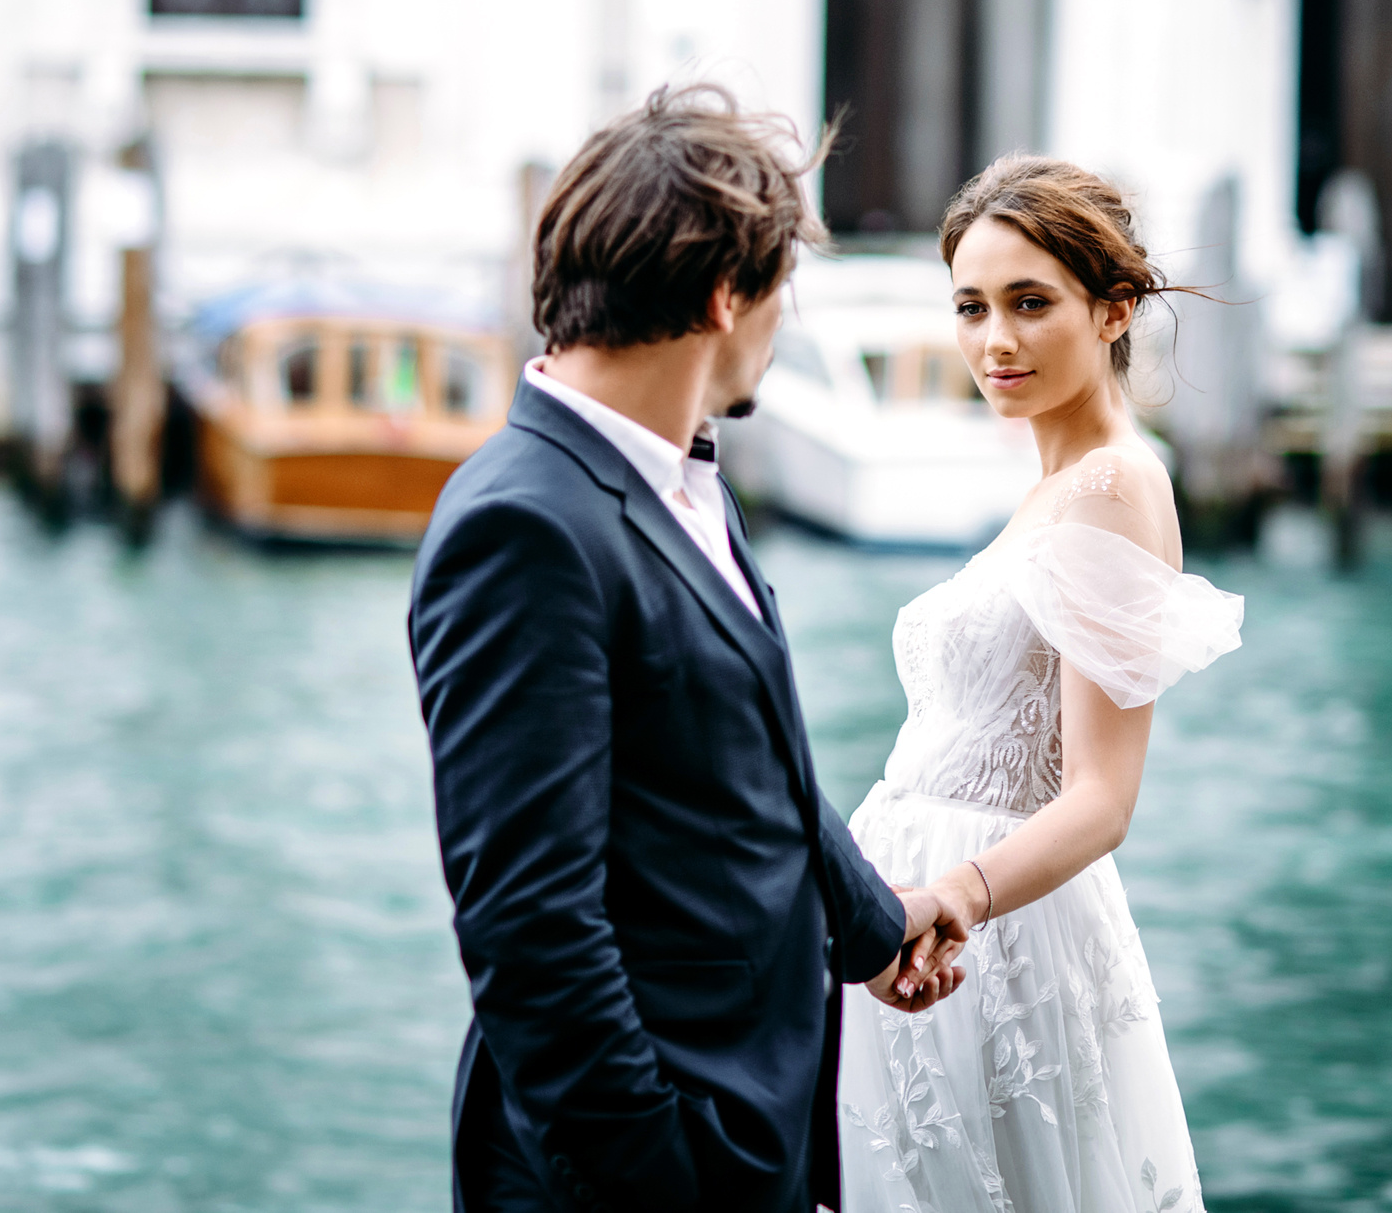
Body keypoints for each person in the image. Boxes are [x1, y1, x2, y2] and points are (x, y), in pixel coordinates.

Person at [410, 86, 976, 1213]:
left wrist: (875, 925)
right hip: (645, 1166)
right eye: (782, 291)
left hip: (756, 1116)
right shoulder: (521, 526)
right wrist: (662, 1178)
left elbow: (744, 758)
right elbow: (531, 929)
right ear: (726, 295)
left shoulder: (677, 474)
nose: (785, 323)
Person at [835, 155, 1246, 1213]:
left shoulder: (1111, 482)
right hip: (919, 926)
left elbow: (1103, 799)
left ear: (1112, 311)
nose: (994, 341)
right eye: (971, 307)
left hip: (991, 939)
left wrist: (948, 898)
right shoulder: (1053, 486)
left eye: (1030, 303)